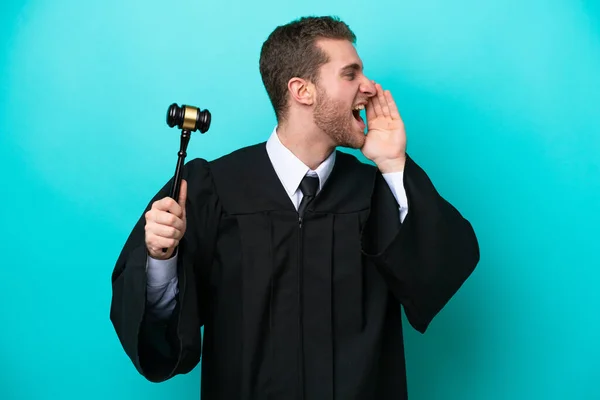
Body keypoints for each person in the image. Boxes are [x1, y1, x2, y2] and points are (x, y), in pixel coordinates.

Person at [110, 15, 480, 399]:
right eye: (350, 74)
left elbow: (440, 272)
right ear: (302, 91)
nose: (370, 88)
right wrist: (161, 259)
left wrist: (393, 164)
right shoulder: (212, 189)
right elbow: (159, 330)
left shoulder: (376, 192)